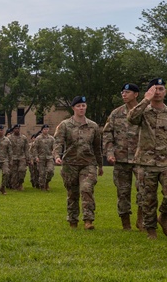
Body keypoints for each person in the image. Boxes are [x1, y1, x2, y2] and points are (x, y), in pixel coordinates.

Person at [128, 78, 167, 239]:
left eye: (161, 89)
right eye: (155, 89)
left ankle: (164, 217)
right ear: (149, 92)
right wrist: (145, 100)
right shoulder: (143, 111)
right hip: (145, 162)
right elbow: (131, 118)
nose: (158, 92)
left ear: (165, 92)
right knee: (147, 199)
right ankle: (151, 230)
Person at [53, 96, 104, 230]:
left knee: (86, 189)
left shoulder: (93, 126)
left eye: (83, 105)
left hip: (88, 163)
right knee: (73, 193)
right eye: (78, 106)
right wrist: (57, 156)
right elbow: (58, 142)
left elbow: (97, 147)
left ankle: (88, 220)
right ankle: (73, 220)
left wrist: (100, 165)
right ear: (73, 108)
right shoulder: (64, 125)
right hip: (70, 164)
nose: (81, 108)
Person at [103, 83, 144, 231]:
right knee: (123, 192)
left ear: (136, 94)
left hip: (141, 159)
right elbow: (108, 134)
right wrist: (109, 152)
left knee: (144, 190)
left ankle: (141, 220)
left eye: (127, 92)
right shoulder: (116, 113)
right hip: (120, 159)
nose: (124, 95)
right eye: (122, 92)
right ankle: (125, 223)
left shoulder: (145, 112)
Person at [31, 125, 55, 191]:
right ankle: (42, 186)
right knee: (42, 173)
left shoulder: (51, 138)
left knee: (51, 171)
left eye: (47, 129)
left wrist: (55, 156)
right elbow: (35, 148)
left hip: (49, 157)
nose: (46, 130)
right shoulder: (38, 138)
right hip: (41, 158)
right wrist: (36, 157)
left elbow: (55, 148)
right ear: (42, 130)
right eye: (44, 129)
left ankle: (47, 182)